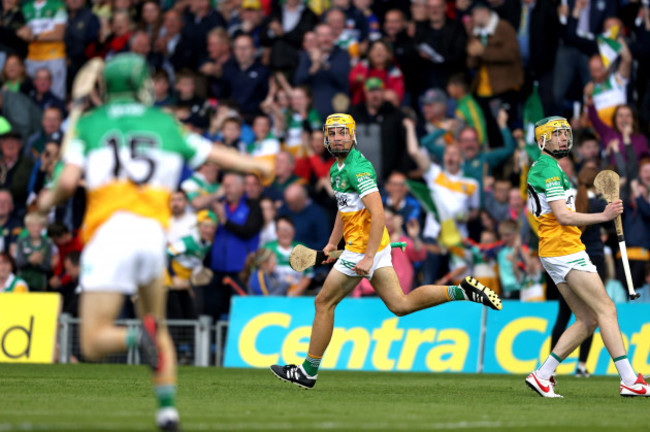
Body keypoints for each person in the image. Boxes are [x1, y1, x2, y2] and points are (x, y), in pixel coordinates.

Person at [36, 53, 271, 431]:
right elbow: (213, 152)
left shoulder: (90, 123)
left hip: (110, 234)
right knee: (157, 325)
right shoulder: (165, 122)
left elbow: (65, 184)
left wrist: (42, 202)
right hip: (152, 237)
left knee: (94, 342)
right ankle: (167, 410)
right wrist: (257, 165)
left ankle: (136, 337)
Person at [270, 113, 502, 389]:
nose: (337, 138)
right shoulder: (336, 170)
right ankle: (462, 291)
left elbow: (379, 214)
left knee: (323, 303)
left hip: (363, 249)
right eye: (332, 133)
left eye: (343, 132)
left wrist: (367, 256)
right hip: (370, 246)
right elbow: (344, 210)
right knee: (400, 305)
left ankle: (308, 371)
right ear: (325, 138)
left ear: (353, 136)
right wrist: (332, 243)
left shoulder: (359, 168)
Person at [524, 116, 649, 398]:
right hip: (564, 249)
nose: (563, 139)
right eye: (556, 135)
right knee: (607, 309)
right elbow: (563, 215)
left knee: (588, 319)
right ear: (542, 139)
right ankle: (630, 379)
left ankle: (543, 375)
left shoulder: (547, 168)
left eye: (566, 134)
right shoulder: (549, 170)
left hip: (555, 251)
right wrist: (603, 216)